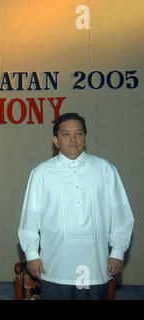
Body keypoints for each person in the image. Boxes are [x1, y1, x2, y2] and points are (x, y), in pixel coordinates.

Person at [18, 112, 134, 300]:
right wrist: (31, 254)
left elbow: (121, 214)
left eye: (78, 133)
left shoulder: (105, 170)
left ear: (85, 138)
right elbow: (30, 217)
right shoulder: (41, 173)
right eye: (66, 134)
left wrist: (118, 251)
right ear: (56, 141)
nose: (73, 139)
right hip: (55, 264)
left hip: (95, 264)